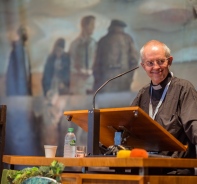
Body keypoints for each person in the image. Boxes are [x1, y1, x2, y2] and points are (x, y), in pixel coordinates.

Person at [131, 40, 197, 175]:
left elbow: (194, 127)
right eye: (150, 63)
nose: (156, 67)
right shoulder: (143, 93)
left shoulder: (184, 89)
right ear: (143, 66)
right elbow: (127, 125)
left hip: (175, 170)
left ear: (170, 61)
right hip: (148, 167)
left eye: (161, 61)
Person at [93, 19, 139, 93]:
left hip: (106, 78)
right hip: (122, 78)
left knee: (107, 102)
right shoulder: (127, 39)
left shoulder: (103, 40)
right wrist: (129, 77)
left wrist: (97, 80)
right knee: (122, 102)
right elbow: (134, 61)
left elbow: (97, 64)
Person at [69, 15, 97, 95]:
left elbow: (97, 62)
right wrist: (81, 72)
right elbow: (71, 64)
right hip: (78, 83)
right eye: (91, 25)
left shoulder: (94, 44)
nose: (93, 27)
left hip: (91, 83)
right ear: (84, 26)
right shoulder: (75, 44)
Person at [6, 25, 32, 96]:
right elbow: (11, 74)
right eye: (23, 33)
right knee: (5, 106)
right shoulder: (15, 52)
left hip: (25, 90)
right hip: (17, 92)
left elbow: (27, 73)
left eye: (25, 33)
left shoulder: (24, 50)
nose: (25, 35)